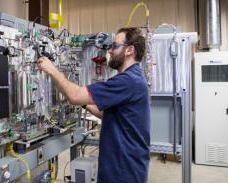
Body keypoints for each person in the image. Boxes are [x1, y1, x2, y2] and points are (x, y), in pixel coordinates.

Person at [38, 27, 150, 183]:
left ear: (130, 50)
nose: (110, 51)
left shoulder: (128, 81)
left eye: (115, 46)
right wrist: (85, 104)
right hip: (121, 165)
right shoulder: (133, 79)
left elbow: (75, 96)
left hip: (123, 171)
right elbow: (108, 114)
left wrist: (52, 70)